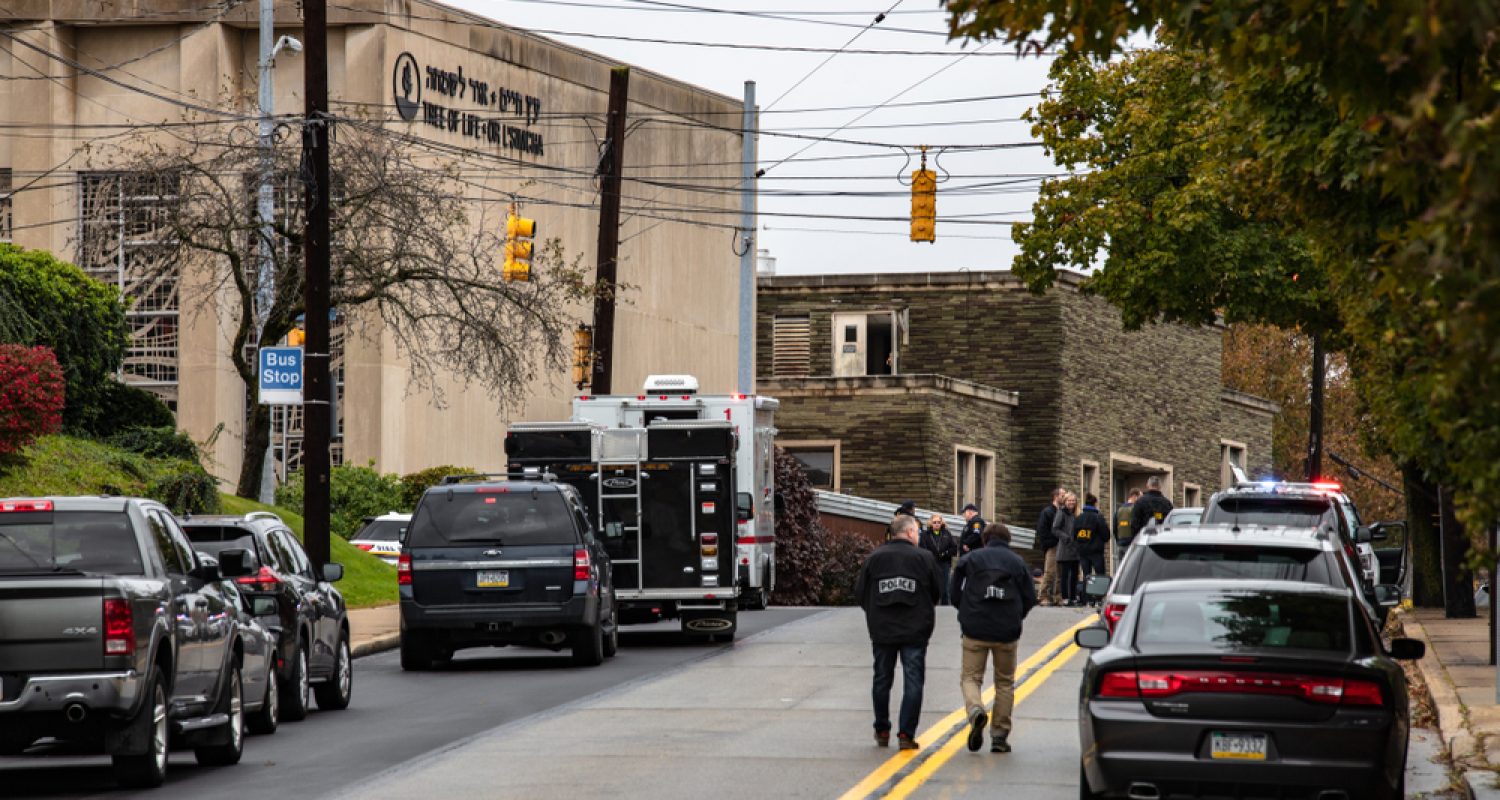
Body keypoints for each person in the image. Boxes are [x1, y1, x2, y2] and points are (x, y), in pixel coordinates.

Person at [855, 514, 941, 750]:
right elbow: (937, 592)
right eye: (918, 532)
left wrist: (876, 613)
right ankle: (906, 733)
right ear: (910, 532)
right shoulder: (924, 558)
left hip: (882, 630)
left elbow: (861, 593)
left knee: (882, 678)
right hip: (915, 630)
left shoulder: (874, 559)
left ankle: (882, 728)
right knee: (913, 680)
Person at [950, 523, 1036, 754]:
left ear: (985, 540)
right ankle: (999, 735)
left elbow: (953, 589)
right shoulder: (1017, 562)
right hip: (1006, 631)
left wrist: (964, 609)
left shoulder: (972, 559)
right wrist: (1017, 615)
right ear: (1008, 540)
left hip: (975, 627)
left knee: (970, 677)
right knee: (1005, 682)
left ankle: (976, 710)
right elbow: (1030, 596)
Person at [1073, 493, 1111, 606]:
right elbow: (1106, 535)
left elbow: (1074, 534)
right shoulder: (1098, 518)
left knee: (1086, 574)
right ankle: (1099, 598)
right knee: (1100, 574)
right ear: (1095, 503)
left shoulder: (1078, 518)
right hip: (1096, 551)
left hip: (1083, 551)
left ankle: (1087, 598)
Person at [920, 513, 960, 605]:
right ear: (930, 523)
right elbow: (922, 548)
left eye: (939, 522)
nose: (937, 524)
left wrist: (945, 554)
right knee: (931, 586)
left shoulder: (947, 534)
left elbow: (954, 548)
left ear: (942, 523)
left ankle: (945, 607)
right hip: (931, 564)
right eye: (934, 522)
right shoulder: (925, 535)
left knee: (945, 588)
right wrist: (932, 556)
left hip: (944, 563)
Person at [1035, 489, 1062, 606]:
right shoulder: (1048, 512)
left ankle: (1057, 596)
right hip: (1053, 546)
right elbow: (1042, 530)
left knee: (1059, 573)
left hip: (1061, 546)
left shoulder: (1061, 511)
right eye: (1062, 495)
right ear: (1056, 497)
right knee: (1050, 572)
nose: (1064, 497)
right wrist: (1050, 543)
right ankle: (1043, 596)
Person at [1053, 491, 1080, 606]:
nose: (1071, 502)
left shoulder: (1077, 514)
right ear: (1065, 501)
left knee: (1074, 574)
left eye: (1073, 500)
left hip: (1075, 548)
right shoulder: (1061, 513)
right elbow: (1055, 529)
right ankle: (1064, 597)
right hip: (1065, 548)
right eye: (1069, 500)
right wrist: (1066, 538)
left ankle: (1073, 597)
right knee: (1065, 575)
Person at [1114, 488, 1140, 566]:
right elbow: (1137, 526)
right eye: (1140, 497)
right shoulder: (1135, 509)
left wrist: (1118, 540)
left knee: (1121, 569)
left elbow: (1114, 527)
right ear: (1135, 496)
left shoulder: (1119, 509)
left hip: (1121, 544)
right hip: (1132, 544)